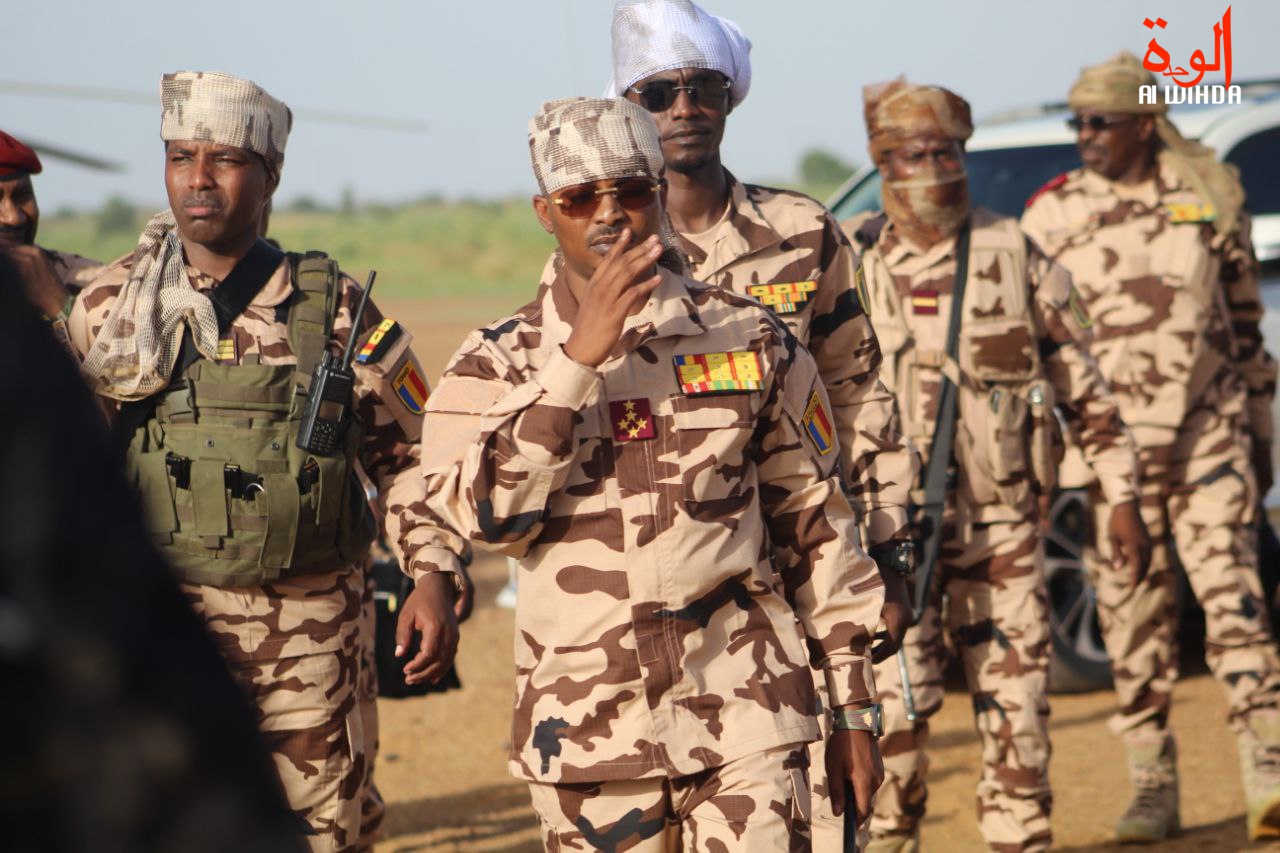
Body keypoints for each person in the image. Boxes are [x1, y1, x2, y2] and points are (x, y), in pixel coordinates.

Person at [410, 96, 885, 849]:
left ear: (659, 194)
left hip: (749, 716)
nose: (609, 214)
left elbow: (816, 525)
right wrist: (575, 362)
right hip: (590, 743)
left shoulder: (749, 336)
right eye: (580, 197)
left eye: (630, 190)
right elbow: (486, 520)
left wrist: (855, 711)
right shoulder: (494, 362)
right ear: (545, 212)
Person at [68, 71, 461, 853]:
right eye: (181, 157)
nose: (198, 179)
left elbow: (409, 456)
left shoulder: (335, 309)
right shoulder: (110, 312)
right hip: (166, 636)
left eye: (225, 159)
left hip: (311, 642)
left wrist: (433, 573)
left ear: (269, 174)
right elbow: (66, 475)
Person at [844, 78, 1148, 853]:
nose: (936, 168)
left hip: (1002, 531)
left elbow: (1087, 389)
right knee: (894, 732)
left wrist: (1122, 496)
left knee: (1019, 724)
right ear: (882, 161)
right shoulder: (848, 263)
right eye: (916, 154)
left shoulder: (1015, 253)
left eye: (949, 152)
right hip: (885, 543)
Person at [1022, 51, 1280, 843]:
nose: (1086, 135)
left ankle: (1269, 775)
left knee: (1237, 607)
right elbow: (1040, 352)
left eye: (1101, 121)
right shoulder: (1051, 217)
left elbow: (1245, 327)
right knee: (1133, 625)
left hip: (1207, 440)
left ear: (1144, 122)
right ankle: (1152, 787)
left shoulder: (1207, 197)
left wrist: (1260, 438)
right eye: (1078, 122)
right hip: (1114, 465)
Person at [0, 252, 305, 853]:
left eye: (18, 202)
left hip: (281, 611)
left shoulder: (79, 292)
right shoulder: (100, 300)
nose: (11, 214)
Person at [0, 129, 102, 351]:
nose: (14, 217)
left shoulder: (93, 282)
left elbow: (120, 364)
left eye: (23, 196)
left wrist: (60, 305)